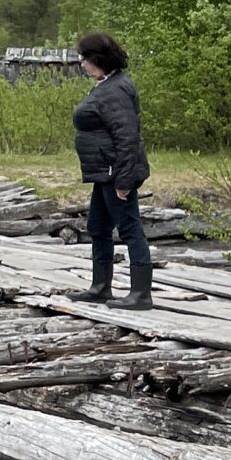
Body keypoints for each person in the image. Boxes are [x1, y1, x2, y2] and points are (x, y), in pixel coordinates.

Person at [72, 31, 153, 310]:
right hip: (103, 171)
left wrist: (124, 180)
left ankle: (141, 294)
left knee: (129, 228)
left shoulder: (116, 90)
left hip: (115, 171)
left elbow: (127, 137)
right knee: (98, 226)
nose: (82, 63)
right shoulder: (107, 84)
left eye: (85, 58)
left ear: (99, 59)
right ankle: (100, 287)